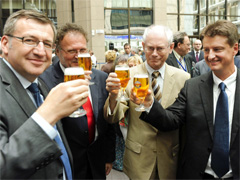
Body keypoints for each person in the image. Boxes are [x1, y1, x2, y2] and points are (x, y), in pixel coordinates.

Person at [139, 20, 240, 179]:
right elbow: (170, 120)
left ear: (235, 48)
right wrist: (149, 104)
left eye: (217, 49)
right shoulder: (192, 87)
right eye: (206, 50)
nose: (210, 56)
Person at [0, 9, 89, 179]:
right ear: (5, 44)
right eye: (29, 40)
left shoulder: (39, 84)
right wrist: (48, 114)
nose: (40, 51)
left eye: (47, 44)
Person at [104, 25, 190, 180]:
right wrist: (112, 96)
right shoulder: (127, 75)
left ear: (171, 48)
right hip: (139, 160)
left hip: (171, 157)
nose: (155, 54)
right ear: (143, 47)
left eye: (160, 49)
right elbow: (113, 117)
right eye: (150, 48)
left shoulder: (183, 78)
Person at [39, 23, 115, 179]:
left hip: (96, 160)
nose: (78, 55)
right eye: (72, 51)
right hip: (65, 162)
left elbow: (106, 123)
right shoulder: (43, 80)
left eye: (82, 50)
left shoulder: (100, 78)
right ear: (58, 52)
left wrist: (108, 156)